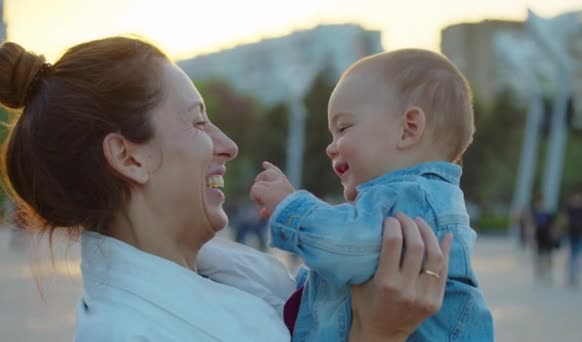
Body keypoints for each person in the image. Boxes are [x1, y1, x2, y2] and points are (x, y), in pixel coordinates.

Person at [0, 37, 452, 341]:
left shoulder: (237, 275)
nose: (229, 146)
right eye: (198, 121)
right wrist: (377, 333)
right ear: (129, 157)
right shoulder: (127, 331)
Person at [251, 49, 493, 341]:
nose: (331, 147)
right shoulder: (420, 198)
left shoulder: (411, 195)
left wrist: (290, 207)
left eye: (343, 128)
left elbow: (348, 246)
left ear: (408, 129)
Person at [522, 194, 556, 284]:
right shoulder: (534, 214)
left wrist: (554, 235)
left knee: (548, 257)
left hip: (547, 239)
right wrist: (530, 237)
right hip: (538, 238)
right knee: (537, 258)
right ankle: (539, 274)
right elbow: (530, 226)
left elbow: (552, 227)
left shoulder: (549, 214)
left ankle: (548, 273)